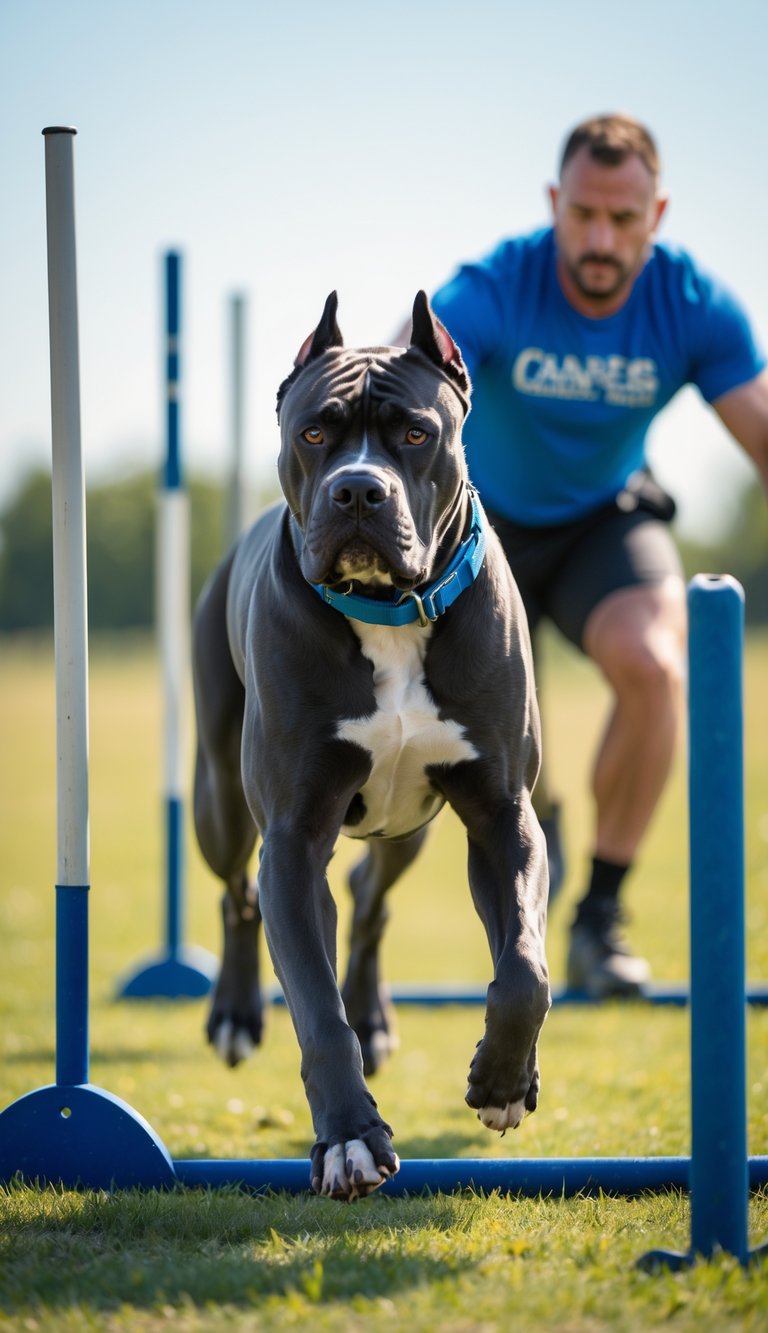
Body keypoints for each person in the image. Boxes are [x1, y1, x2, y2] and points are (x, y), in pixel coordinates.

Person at [426, 113, 768, 998]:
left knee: (658, 664)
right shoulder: (498, 285)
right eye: (583, 214)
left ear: (657, 212)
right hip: (478, 530)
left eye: (623, 219)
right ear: (555, 204)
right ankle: (529, 839)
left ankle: (599, 918)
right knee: (502, 757)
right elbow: (407, 383)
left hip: (601, 520)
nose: (601, 238)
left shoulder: (693, 305)